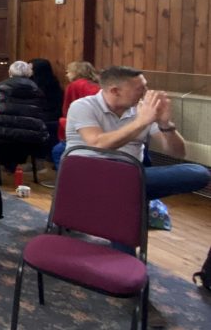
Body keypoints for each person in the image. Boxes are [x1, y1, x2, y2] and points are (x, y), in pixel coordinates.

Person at [66, 65, 211, 327]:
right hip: (88, 179)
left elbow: (178, 152)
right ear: (114, 90)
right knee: (129, 199)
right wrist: (144, 122)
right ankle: (136, 291)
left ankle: (133, 286)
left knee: (198, 172)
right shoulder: (84, 106)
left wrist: (166, 124)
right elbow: (99, 143)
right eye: (140, 88)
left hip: (127, 181)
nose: (147, 93)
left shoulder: (139, 112)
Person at [0, 61, 50, 171]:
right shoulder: (39, 92)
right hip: (29, 139)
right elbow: (42, 116)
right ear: (28, 74)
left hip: (1, 137)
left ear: (10, 73)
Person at [51, 61, 101, 168]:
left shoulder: (75, 85)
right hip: (97, 127)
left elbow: (67, 109)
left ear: (76, 72)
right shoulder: (97, 85)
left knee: (57, 152)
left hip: (80, 129)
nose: (67, 75)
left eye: (68, 72)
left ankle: (66, 181)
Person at [29, 57, 64, 153]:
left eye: (31, 69)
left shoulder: (49, 84)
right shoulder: (33, 82)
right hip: (41, 114)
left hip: (48, 115)